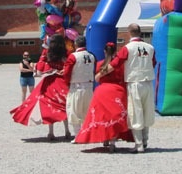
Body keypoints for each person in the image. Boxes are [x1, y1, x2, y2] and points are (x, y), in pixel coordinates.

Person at [74, 41, 135, 152]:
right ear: (116, 51)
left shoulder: (99, 64)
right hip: (117, 91)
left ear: (104, 51)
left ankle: (105, 138)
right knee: (116, 116)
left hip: (101, 92)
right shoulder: (121, 65)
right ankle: (113, 142)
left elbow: (97, 79)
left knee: (102, 116)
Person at [10, 34, 71, 141]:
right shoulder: (67, 53)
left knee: (50, 107)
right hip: (63, 81)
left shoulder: (47, 52)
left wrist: (50, 70)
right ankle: (67, 131)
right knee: (64, 106)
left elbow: (39, 70)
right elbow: (70, 66)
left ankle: (51, 132)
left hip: (49, 82)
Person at [107, 23, 156, 153]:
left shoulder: (127, 48)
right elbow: (153, 63)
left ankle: (139, 144)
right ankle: (145, 140)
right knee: (147, 111)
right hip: (148, 82)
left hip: (134, 82)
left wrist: (101, 73)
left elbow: (115, 64)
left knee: (135, 112)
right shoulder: (150, 47)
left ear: (129, 33)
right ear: (140, 32)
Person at [63, 35, 96, 140]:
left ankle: (78, 135)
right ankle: (87, 134)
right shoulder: (91, 56)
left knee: (74, 111)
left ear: (76, 44)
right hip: (89, 86)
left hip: (76, 86)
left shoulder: (73, 56)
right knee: (87, 111)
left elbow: (67, 72)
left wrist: (66, 83)